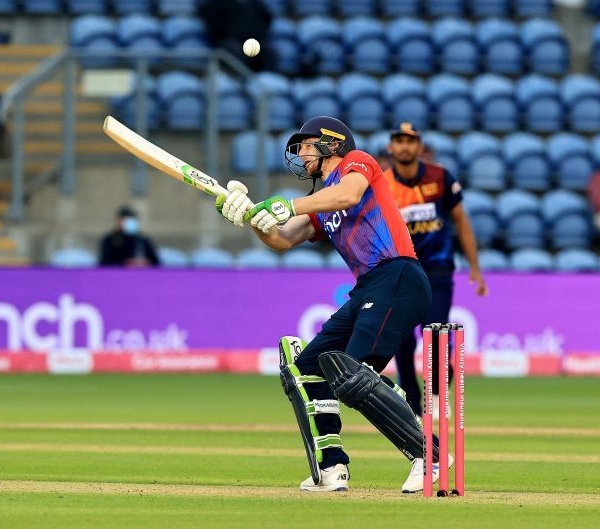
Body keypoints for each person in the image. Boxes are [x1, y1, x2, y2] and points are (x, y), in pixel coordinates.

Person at [214, 116, 446, 494]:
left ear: (331, 144)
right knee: (306, 369)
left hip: (398, 275)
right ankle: (332, 468)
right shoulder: (321, 203)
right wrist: (249, 216)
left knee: (352, 373)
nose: (301, 154)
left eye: (306, 145)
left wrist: (286, 205)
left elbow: (349, 195)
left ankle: (429, 454)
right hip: (370, 287)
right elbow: (283, 239)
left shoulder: (358, 162)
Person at [383, 122, 488, 418]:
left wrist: (475, 268)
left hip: (437, 270)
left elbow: (461, 222)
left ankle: (440, 387)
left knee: (437, 335)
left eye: (410, 141)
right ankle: (411, 403)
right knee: (402, 339)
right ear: (391, 147)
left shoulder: (440, 177)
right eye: (399, 141)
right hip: (401, 271)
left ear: (420, 146)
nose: (405, 146)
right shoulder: (383, 184)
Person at [197, 0, 274, 72]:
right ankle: (237, 82)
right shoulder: (219, 2)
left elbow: (267, 18)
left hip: (252, 41)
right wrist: (223, 37)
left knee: (268, 53)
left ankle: (267, 80)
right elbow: (209, 17)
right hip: (229, 42)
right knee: (234, 51)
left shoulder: (254, 3)